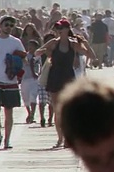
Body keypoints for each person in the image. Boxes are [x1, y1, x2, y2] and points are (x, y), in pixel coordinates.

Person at [35, 19, 88, 147]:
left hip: (69, 77)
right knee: (58, 109)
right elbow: (37, 52)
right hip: (55, 77)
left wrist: (85, 43)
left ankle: (68, 137)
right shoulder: (53, 42)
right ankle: (60, 139)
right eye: (57, 28)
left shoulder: (73, 44)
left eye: (61, 28)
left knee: (69, 110)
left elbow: (89, 54)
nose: (58, 30)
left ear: (67, 29)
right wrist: (46, 51)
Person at [0, 16, 26, 149]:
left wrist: (17, 62)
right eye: (6, 24)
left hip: (11, 80)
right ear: (0, 26)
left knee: (9, 110)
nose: (9, 27)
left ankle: (7, 140)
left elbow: (24, 59)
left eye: (11, 25)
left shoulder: (16, 42)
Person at [21, 40, 41, 124]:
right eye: (29, 46)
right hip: (25, 78)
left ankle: (32, 114)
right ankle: (29, 112)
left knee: (33, 96)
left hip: (34, 79)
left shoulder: (39, 56)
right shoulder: (25, 56)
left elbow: (40, 66)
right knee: (25, 97)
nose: (30, 47)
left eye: (32, 46)